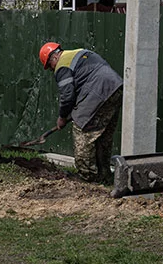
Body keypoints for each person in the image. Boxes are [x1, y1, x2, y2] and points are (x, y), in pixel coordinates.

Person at [39, 42, 124, 183]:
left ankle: (87, 176)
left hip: (97, 91)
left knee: (82, 131)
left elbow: (67, 96)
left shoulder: (62, 65)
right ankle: (104, 175)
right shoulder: (79, 53)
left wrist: (62, 117)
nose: (52, 69)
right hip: (115, 88)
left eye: (50, 66)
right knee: (103, 136)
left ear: (53, 58)